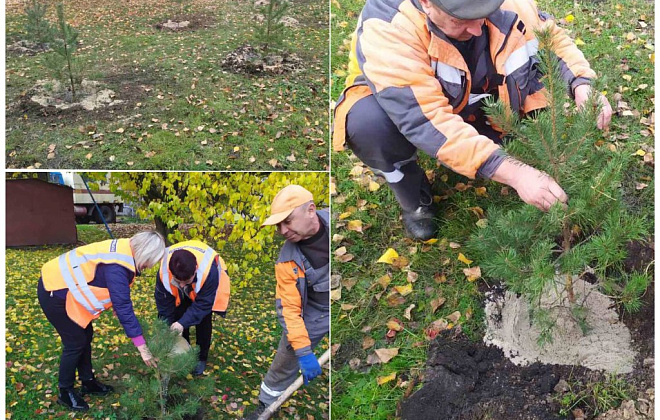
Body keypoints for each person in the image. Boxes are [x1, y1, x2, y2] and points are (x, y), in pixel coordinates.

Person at [332, 0, 613, 240]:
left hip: (479, 100)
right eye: (461, 19)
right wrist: (515, 173)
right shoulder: (388, 26)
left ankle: (493, 139)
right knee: (369, 125)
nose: (477, 28)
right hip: (417, 106)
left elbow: (549, 38)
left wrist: (582, 83)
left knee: (509, 149)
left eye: (484, 13)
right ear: (427, 3)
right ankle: (414, 198)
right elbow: (425, 119)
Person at [38, 231, 166, 412]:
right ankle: (65, 391)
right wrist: (143, 349)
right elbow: (124, 307)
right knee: (75, 342)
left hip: (68, 291)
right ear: (145, 253)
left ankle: (88, 382)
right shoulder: (118, 267)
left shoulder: (125, 251)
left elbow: (108, 284)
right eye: (150, 262)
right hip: (54, 291)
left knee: (85, 335)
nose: (149, 266)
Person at [244, 185, 329, 419]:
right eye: (278, 225)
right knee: (288, 354)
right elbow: (289, 310)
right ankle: (266, 403)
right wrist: (303, 352)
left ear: (311, 210)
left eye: (287, 221)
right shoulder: (287, 261)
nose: (283, 231)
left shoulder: (337, 221)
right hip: (316, 311)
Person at [155, 240, 231, 376]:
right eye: (179, 282)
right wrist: (169, 330)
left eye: (187, 282)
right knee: (177, 316)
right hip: (180, 289)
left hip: (203, 290)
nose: (183, 286)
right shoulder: (164, 272)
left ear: (195, 269)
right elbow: (164, 305)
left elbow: (203, 305)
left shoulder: (209, 271)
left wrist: (182, 323)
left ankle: (201, 357)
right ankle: (183, 354)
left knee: (203, 321)